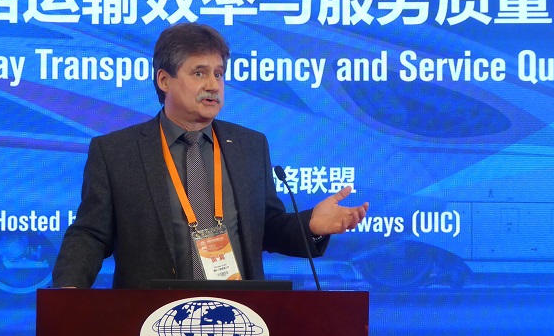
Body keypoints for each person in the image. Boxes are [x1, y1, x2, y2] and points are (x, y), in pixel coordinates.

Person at [51, 22, 368, 289]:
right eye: (199, 73)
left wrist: (310, 225)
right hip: (152, 321)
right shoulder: (117, 152)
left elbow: (268, 228)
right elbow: (91, 234)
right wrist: (68, 291)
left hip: (240, 320)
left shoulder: (249, 146)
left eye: (218, 73)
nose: (213, 85)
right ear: (164, 80)